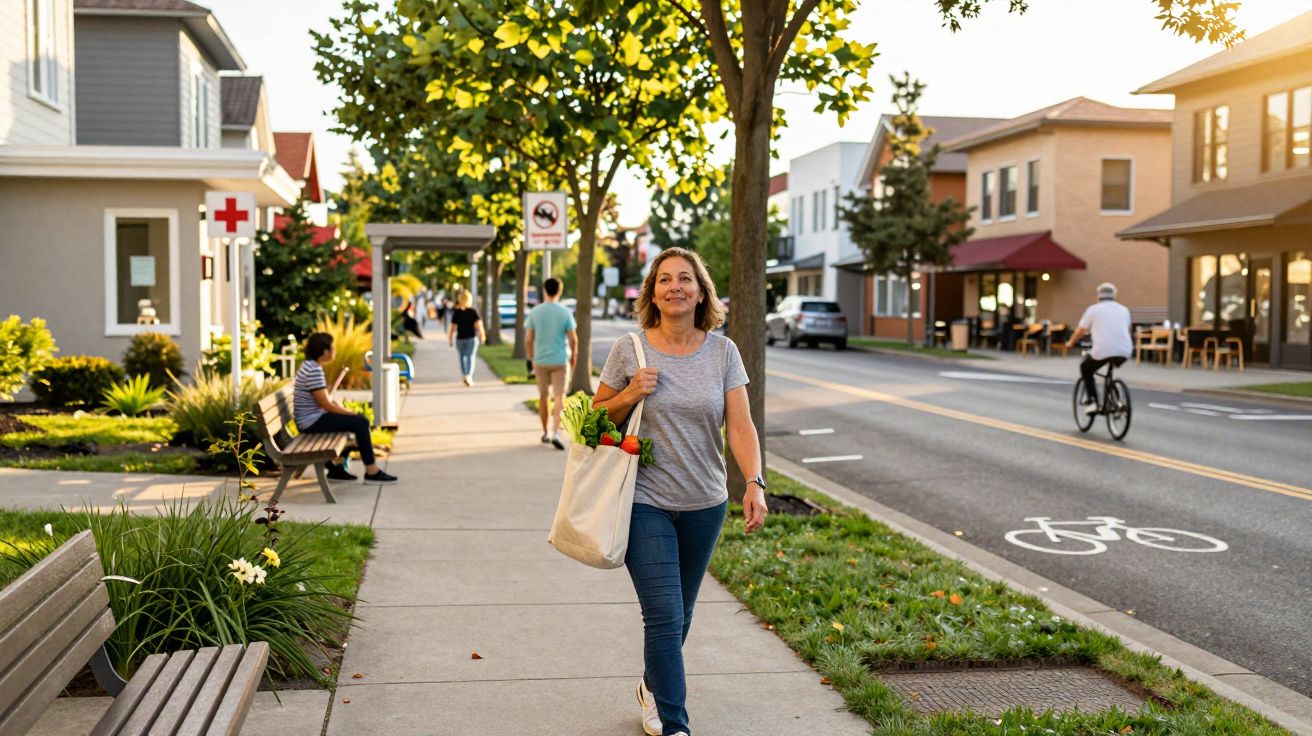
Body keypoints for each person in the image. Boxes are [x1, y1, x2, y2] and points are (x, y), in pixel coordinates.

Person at [592, 246, 768, 736]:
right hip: (644, 500)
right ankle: (675, 724)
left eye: (685, 278)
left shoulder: (723, 351)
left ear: (700, 290)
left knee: (681, 615)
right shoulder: (630, 349)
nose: (675, 287)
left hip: (705, 503)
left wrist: (753, 482)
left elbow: (741, 427)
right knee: (665, 615)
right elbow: (594, 419)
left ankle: (652, 686)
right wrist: (630, 393)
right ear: (652, 291)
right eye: (665, 279)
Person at [294, 332, 398, 484]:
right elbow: (325, 405)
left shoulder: (310, 366)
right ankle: (371, 471)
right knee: (360, 422)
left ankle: (336, 468)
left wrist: (347, 413)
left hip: (311, 418)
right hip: (311, 422)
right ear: (324, 352)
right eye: (332, 348)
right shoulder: (313, 370)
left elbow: (324, 400)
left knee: (355, 422)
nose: (334, 351)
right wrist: (350, 414)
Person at [525, 277, 578, 449]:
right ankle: (555, 431)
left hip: (540, 360)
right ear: (559, 291)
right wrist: (573, 356)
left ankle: (545, 433)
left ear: (544, 290)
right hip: (560, 360)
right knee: (559, 396)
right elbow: (573, 339)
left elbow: (528, 339)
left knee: (542, 396)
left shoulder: (535, 312)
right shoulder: (565, 312)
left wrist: (530, 358)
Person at [1066, 282, 1133, 414]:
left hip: (1103, 350)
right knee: (1109, 365)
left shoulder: (1093, 309)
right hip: (1125, 350)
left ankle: (1092, 401)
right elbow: (1127, 329)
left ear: (1098, 296)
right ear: (1114, 296)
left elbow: (1081, 330)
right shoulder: (1124, 310)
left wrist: (1071, 342)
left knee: (1086, 368)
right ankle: (1115, 395)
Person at [447, 289, 486, 386]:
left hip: (460, 339)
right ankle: (469, 375)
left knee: (462, 357)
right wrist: (482, 336)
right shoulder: (473, 312)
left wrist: (450, 339)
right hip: (471, 338)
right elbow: (479, 326)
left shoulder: (457, 312)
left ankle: (465, 374)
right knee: (470, 357)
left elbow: (452, 327)